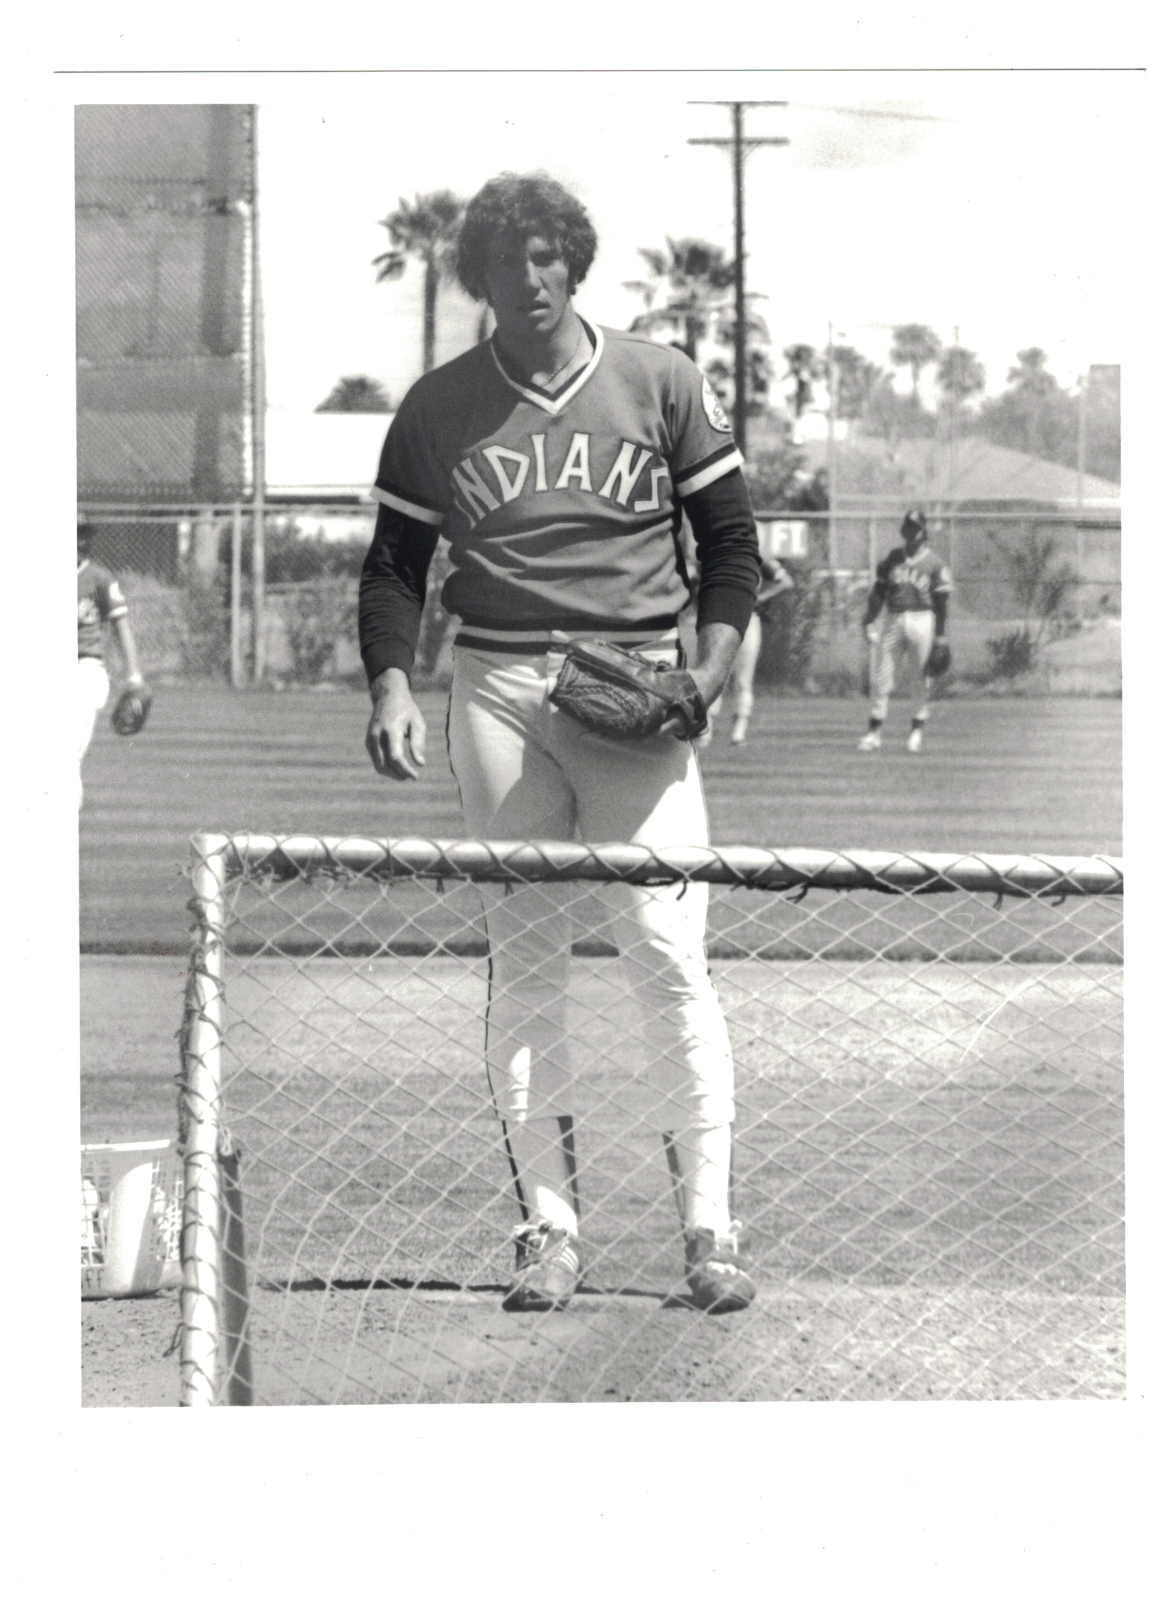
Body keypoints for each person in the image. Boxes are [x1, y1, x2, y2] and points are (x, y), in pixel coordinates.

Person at [359, 172, 762, 1314]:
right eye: (504, 260)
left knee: (665, 952)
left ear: (571, 263)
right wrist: (391, 681)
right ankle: (548, 1227)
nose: (527, 278)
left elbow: (730, 546)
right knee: (524, 964)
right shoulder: (438, 406)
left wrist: (708, 673)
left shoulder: (657, 380)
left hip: (629, 678)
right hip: (491, 685)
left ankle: (708, 1227)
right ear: (476, 274)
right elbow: (393, 569)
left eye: (546, 256)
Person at [858, 509, 952, 754]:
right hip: (893, 618)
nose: (911, 531)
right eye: (908, 527)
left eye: (916, 527)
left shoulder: (935, 563)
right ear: (903, 530)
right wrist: (869, 619)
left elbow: (941, 603)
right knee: (882, 677)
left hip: (923, 619)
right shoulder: (892, 558)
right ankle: (874, 732)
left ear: (924, 532)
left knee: (920, 679)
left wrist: (941, 636)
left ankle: (916, 732)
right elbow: (879, 592)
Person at [77, 519, 144, 808]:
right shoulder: (40, 576)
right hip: (46, 674)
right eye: (77, 533)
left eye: (86, 534)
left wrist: (134, 677)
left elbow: (121, 625)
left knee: (67, 756)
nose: (82, 540)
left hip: (84, 670)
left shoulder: (99, 578)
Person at [697, 557, 793, 747]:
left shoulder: (758, 557)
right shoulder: (712, 554)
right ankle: (706, 731)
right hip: (719, 617)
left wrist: (760, 598)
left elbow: (786, 582)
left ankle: (738, 733)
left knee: (742, 678)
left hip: (747, 619)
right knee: (714, 674)